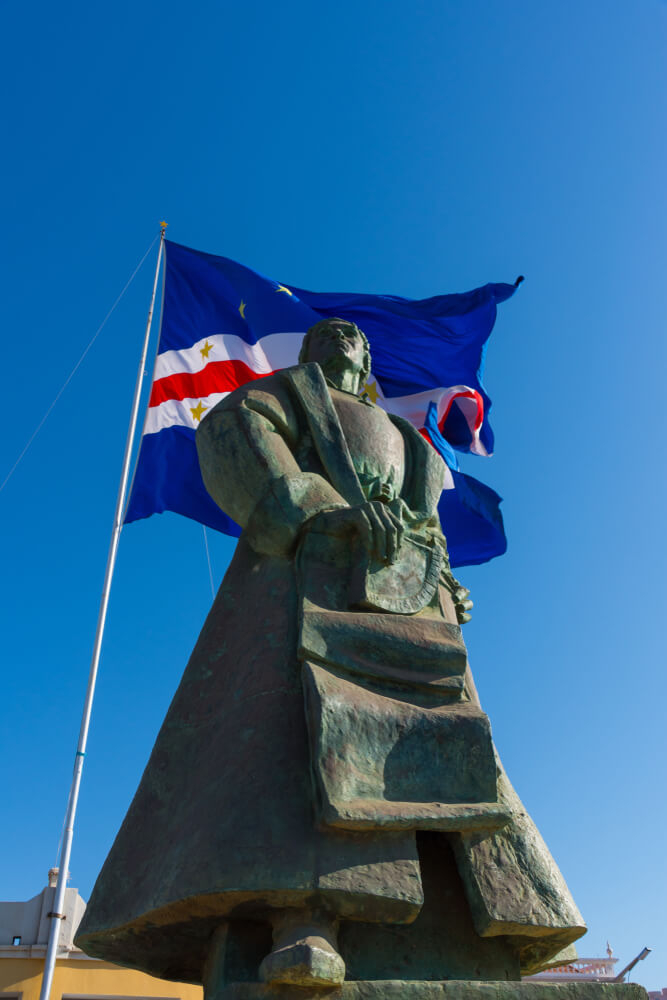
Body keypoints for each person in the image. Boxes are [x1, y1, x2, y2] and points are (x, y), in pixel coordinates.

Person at [76, 319, 584, 991]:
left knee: (439, 743)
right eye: (328, 331)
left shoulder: (407, 438)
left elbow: (424, 519)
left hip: (406, 599)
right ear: (309, 352)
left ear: (368, 358)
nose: (341, 334)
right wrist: (314, 509)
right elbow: (235, 433)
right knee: (295, 743)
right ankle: (302, 922)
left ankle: (473, 920)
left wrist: (447, 580)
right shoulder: (281, 396)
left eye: (352, 334)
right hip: (302, 583)